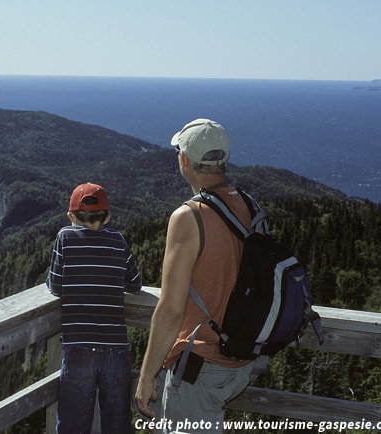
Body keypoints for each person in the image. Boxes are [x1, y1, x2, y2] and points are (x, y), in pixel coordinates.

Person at [134, 119, 255, 433]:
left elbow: (171, 309)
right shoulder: (248, 205)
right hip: (240, 360)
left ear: (184, 159)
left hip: (202, 364)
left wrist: (147, 377)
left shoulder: (189, 217)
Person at [47, 182, 143, 434]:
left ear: (71, 216)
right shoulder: (118, 240)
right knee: (118, 423)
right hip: (116, 351)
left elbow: (55, 285)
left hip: (79, 348)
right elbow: (135, 284)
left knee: (73, 424)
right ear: (108, 216)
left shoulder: (65, 237)